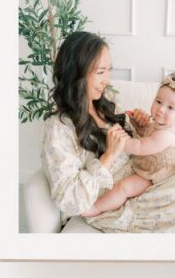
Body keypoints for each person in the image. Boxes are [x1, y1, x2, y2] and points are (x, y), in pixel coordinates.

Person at [40, 31, 130, 222]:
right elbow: (70, 200)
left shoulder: (107, 104)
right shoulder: (59, 128)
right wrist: (108, 157)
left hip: (141, 186)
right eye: (100, 72)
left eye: (109, 70)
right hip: (114, 204)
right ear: (76, 73)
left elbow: (132, 148)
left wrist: (141, 129)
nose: (107, 80)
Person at [81, 73, 175, 217]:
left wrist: (120, 139)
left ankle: (97, 208)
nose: (161, 109)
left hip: (156, 176)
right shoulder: (163, 123)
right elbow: (149, 134)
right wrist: (139, 126)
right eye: (158, 101)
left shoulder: (167, 135)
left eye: (170, 108)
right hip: (150, 167)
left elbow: (141, 147)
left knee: (123, 188)